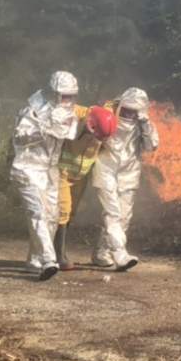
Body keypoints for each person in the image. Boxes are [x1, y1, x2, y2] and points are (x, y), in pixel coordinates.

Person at [9, 71, 83, 281]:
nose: (68, 101)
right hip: (27, 168)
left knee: (51, 217)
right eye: (64, 97)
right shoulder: (32, 111)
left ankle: (34, 260)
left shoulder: (68, 114)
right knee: (38, 214)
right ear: (53, 94)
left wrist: (59, 121)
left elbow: (68, 134)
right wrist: (43, 127)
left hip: (50, 170)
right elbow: (18, 137)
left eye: (72, 97)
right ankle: (49, 260)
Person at [92, 87, 159, 270]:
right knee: (112, 213)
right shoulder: (108, 115)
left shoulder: (143, 124)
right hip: (105, 168)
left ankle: (101, 252)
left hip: (129, 173)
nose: (129, 114)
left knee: (123, 217)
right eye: (126, 109)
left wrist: (144, 122)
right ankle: (120, 253)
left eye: (134, 111)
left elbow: (151, 146)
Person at [54, 104, 117, 269]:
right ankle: (58, 256)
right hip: (62, 171)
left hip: (81, 175)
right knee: (63, 210)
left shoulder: (106, 118)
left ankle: (53, 250)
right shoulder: (74, 113)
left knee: (71, 212)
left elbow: (115, 103)